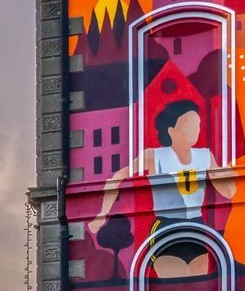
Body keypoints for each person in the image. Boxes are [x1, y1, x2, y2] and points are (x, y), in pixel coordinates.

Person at [76, 97, 236, 277]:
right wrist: (102, 214)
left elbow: (229, 192)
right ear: (172, 130)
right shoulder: (155, 156)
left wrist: (229, 175)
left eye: (197, 124)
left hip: (196, 226)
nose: (195, 129)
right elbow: (117, 177)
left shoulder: (205, 156)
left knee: (197, 287)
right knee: (175, 283)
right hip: (167, 226)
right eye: (188, 124)